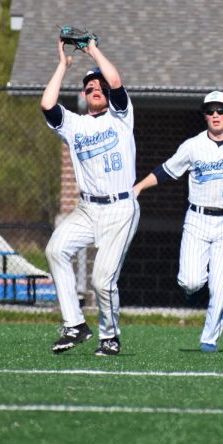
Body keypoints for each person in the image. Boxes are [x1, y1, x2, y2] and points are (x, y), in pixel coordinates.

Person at [133, 91, 223, 353]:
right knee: (190, 281)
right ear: (205, 115)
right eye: (210, 111)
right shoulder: (193, 145)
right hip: (197, 219)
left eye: (221, 110)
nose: (215, 115)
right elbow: (167, 170)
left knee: (221, 288)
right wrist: (139, 187)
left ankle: (209, 339)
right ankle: (193, 286)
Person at [40, 37, 140, 356]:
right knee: (56, 250)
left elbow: (115, 80)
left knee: (101, 280)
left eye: (99, 86)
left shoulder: (121, 117)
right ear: (83, 96)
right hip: (87, 210)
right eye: (89, 87)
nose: (96, 88)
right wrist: (63, 66)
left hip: (121, 208)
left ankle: (109, 337)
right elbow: (47, 105)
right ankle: (75, 325)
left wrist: (92, 50)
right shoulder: (76, 125)